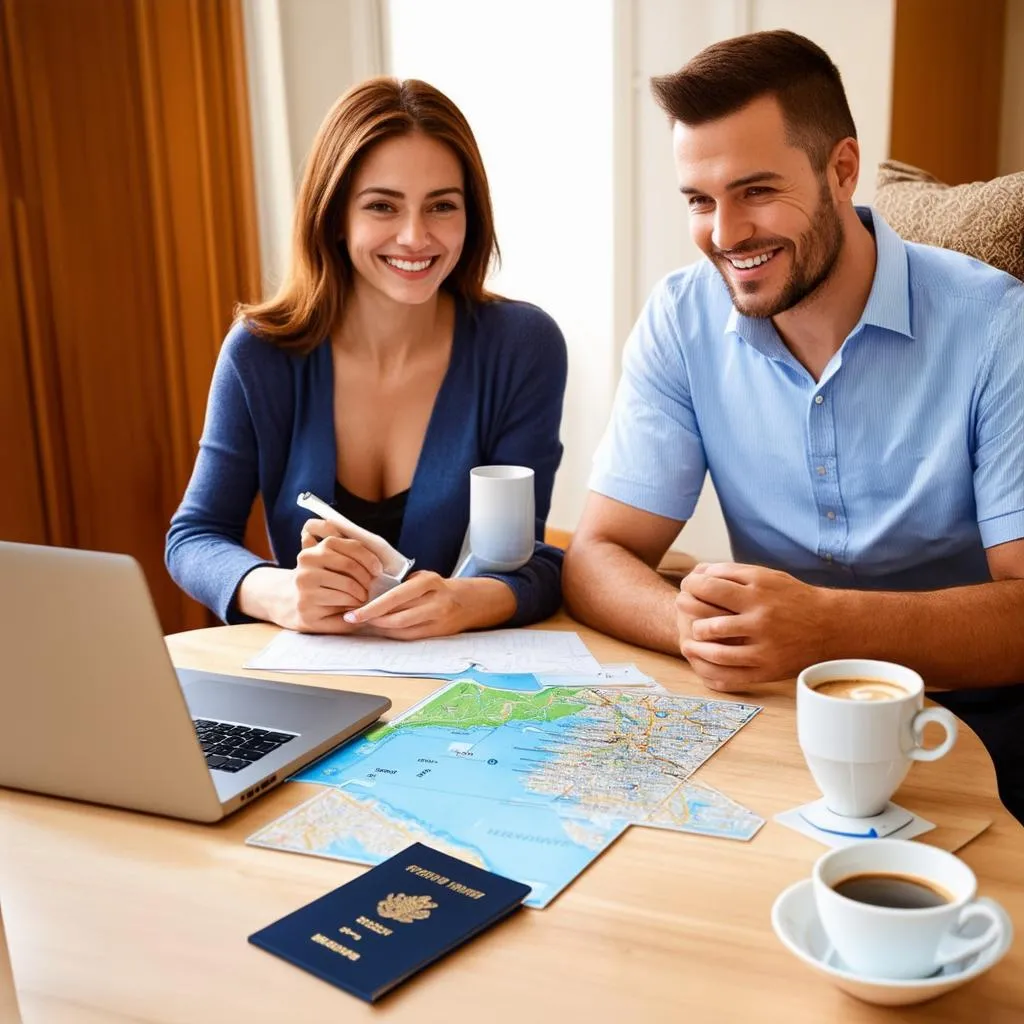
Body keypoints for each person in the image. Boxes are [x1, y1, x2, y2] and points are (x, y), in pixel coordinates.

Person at [563, 31, 1024, 818]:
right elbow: (598, 553)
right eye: (700, 201)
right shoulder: (682, 318)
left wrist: (828, 626)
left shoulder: (994, 327)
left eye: (756, 191)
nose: (725, 233)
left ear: (841, 170)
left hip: (968, 716)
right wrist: (694, 628)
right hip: (773, 705)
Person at [167, 78, 567, 638]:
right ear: (334, 215)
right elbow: (195, 537)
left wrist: (464, 602)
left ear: (469, 215)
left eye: (442, 206)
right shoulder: (260, 352)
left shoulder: (523, 345)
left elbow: (535, 562)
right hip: (317, 677)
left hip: (462, 682)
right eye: (382, 205)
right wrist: (281, 593)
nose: (414, 236)